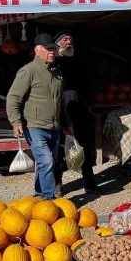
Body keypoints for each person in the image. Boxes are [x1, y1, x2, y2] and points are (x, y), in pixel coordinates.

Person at [6, 33, 64, 200]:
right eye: (48, 49)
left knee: (46, 162)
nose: (52, 51)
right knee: (47, 161)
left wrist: (65, 123)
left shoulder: (57, 72)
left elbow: (59, 101)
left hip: (54, 126)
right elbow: (13, 97)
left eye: (53, 48)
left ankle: (40, 192)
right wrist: (15, 121)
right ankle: (48, 198)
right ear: (38, 50)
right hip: (34, 126)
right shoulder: (28, 71)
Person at [53, 31, 97, 194]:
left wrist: (90, 105)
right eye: (64, 40)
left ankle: (89, 182)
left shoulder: (80, 61)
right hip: (59, 111)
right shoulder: (52, 62)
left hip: (80, 111)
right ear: (57, 44)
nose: (68, 42)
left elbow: (88, 84)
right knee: (57, 149)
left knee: (84, 147)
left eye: (70, 40)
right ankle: (57, 184)